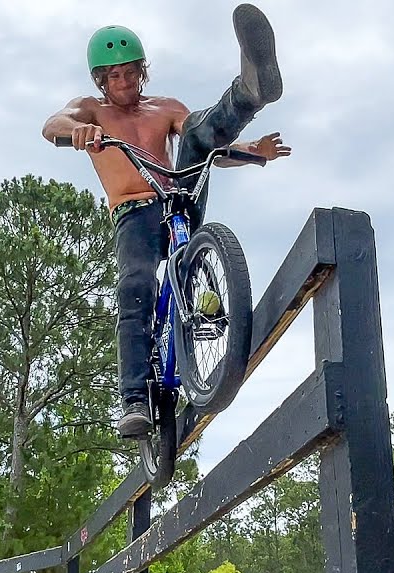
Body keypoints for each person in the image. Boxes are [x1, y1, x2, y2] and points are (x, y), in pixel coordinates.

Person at [42, 4, 292, 437]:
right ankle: (134, 399)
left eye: (131, 73)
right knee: (136, 283)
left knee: (198, 131)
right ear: (101, 81)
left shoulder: (165, 108)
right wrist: (77, 131)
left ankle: (250, 91)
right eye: (114, 76)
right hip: (134, 214)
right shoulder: (93, 111)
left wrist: (254, 152)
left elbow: (204, 145)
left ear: (143, 71)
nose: (124, 83)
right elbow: (53, 124)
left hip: (179, 198)